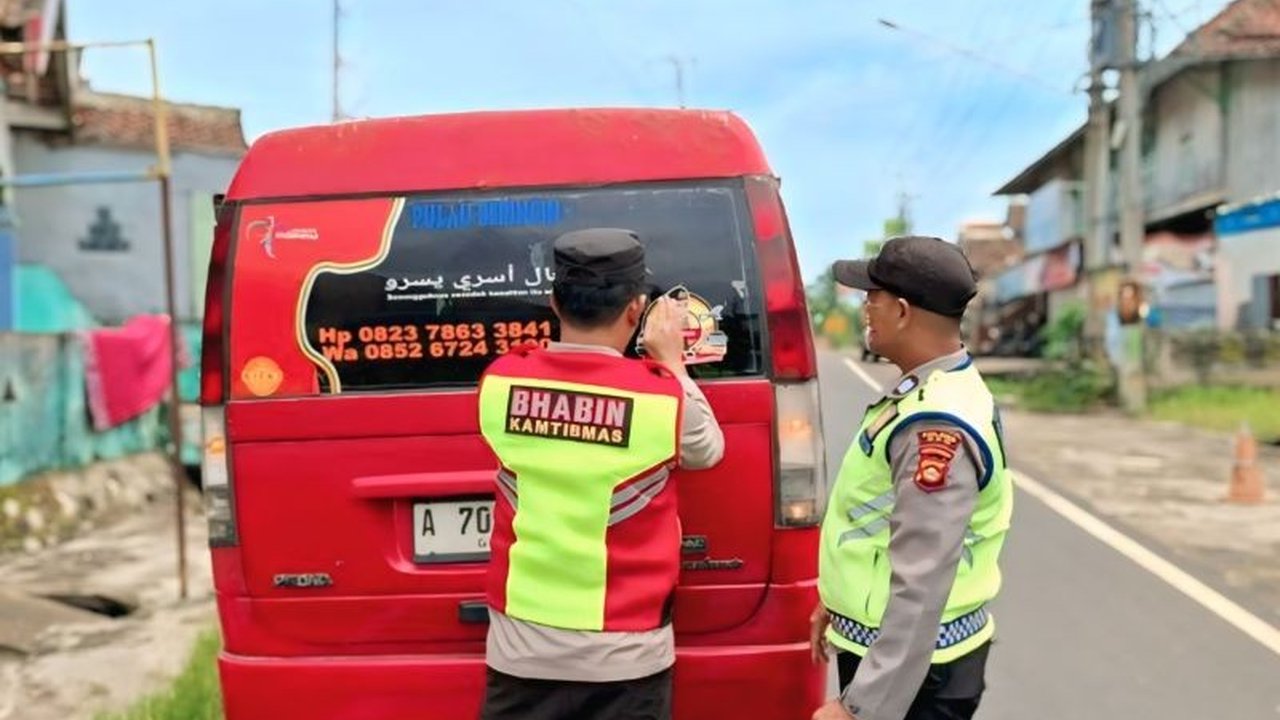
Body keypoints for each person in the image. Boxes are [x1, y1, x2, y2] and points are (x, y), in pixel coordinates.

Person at [476, 227, 726, 720]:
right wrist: (672, 362)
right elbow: (708, 449)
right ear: (636, 310)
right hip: (626, 659)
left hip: (520, 650)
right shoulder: (661, 399)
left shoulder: (502, 381)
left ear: (553, 301)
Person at [811, 235, 1014, 720]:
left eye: (871, 298)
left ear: (901, 312)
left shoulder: (935, 426)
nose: (864, 309)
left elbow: (922, 587)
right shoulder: (938, 384)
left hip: (915, 676)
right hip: (908, 659)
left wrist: (859, 708)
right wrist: (835, 603)